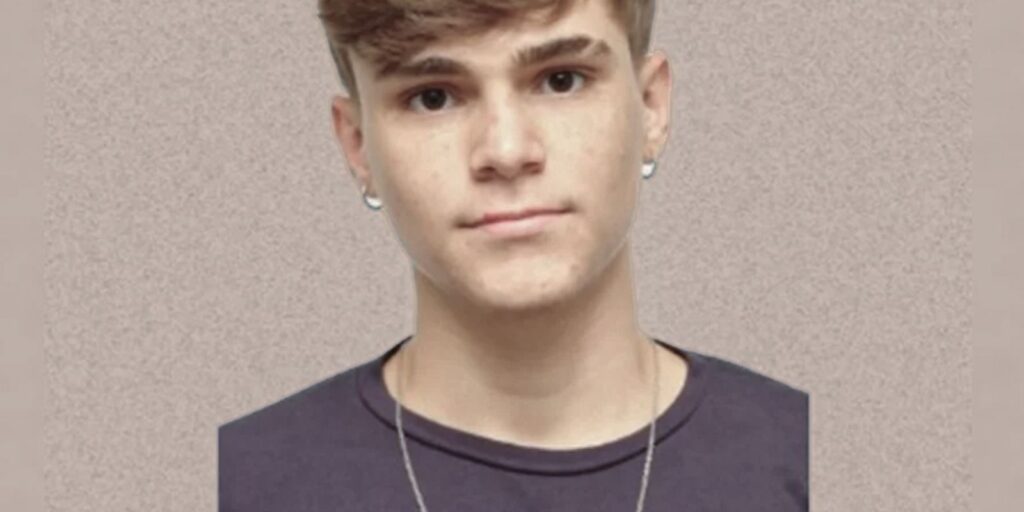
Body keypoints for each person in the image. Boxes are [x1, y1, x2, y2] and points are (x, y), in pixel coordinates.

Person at [218, 0, 808, 510]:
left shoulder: (805, 457)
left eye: (561, 80)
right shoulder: (235, 485)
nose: (505, 150)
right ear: (358, 145)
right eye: (432, 97)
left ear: (651, 106)